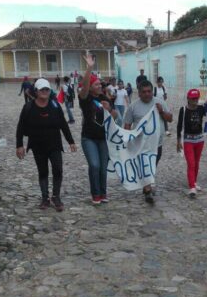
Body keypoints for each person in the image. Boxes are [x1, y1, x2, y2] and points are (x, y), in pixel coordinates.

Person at [16, 78, 77, 210]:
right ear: (36, 91)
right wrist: (19, 145)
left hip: (54, 144)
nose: (45, 92)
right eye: (42, 89)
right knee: (42, 171)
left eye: (47, 89)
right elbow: (20, 127)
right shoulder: (28, 107)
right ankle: (45, 198)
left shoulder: (55, 106)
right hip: (37, 146)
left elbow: (63, 124)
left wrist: (70, 141)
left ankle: (56, 196)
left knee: (58, 170)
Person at [124, 80, 173, 204]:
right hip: (140, 145)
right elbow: (127, 125)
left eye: (149, 91)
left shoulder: (160, 103)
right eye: (144, 92)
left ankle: (147, 184)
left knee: (152, 166)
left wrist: (161, 111)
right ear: (139, 93)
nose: (147, 94)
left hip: (157, 144)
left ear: (152, 91)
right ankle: (148, 190)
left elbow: (170, 119)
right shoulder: (133, 107)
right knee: (145, 165)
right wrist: (127, 141)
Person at [78, 54, 119, 205]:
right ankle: (95, 193)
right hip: (88, 138)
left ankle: (103, 193)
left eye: (100, 85)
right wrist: (90, 67)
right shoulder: (85, 99)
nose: (99, 87)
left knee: (103, 167)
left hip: (103, 138)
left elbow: (115, 117)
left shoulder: (105, 98)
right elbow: (85, 86)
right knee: (94, 165)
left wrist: (110, 110)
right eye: (96, 85)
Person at [177, 89, 207, 198]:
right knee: (191, 163)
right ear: (188, 99)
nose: (195, 100)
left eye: (197, 98)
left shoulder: (201, 109)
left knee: (196, 163)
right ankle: (192, 187)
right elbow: (179, 126)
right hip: (188, 140)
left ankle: (194, 182)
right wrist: (178, 141)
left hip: (199, 140)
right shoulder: (183, 110)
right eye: (193, 98)